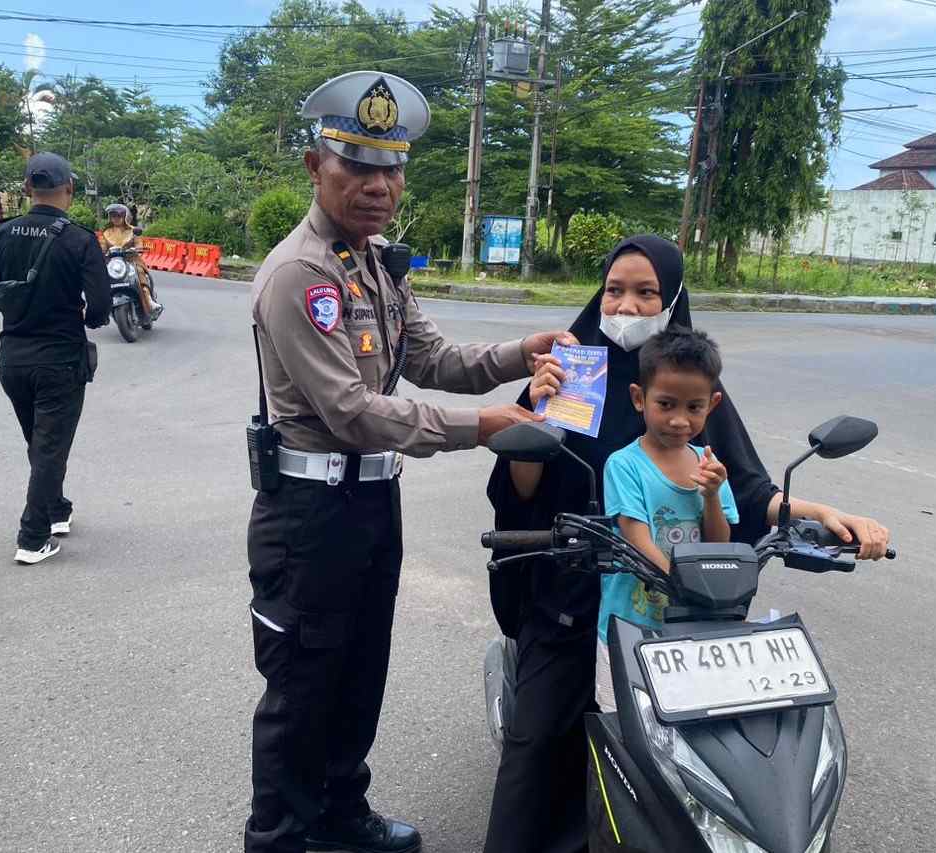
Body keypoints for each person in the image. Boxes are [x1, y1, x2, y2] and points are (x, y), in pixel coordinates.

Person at [245, 70, 574, 853]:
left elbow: (429, 355)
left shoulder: (375, 261)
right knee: (301, 685)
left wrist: (516, 352)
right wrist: (483, 427)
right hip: (309, 515)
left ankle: (339, 813)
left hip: (368, 506)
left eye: (391, 167)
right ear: (313, 166)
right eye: (356, 164)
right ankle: (282, 837)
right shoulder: (302, 275)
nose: (378, 184)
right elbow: (352, 412)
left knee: (360, 669)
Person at [482, 235, 890, 853]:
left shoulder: (690, 389)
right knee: (537, 740)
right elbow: (521, 492)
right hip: (573, 574)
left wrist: (828, 512)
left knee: (736, 730)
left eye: (646, 293)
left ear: (671, 300)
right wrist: (536, 418)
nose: (626, 306)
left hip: (676, 590)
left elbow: (748, 494)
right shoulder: (569, 376)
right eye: (614, 290)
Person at [0, 152, 112, 565]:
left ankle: (56, 510)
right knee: (49, 446)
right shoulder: (80, 239)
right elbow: (100, 307)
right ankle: (32, 537)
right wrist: (85, 314)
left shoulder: (1, 234)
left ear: (27, 189)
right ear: (70, 189)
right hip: (60, 362)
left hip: (14, 362)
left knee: (42, 441)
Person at [595, 326, 738, 712]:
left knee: (686, 716)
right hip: (630, 625)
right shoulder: (625, 465)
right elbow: (635, 538)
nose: (679, 420)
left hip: (690, 625)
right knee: (625, 719)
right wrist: (686, 586)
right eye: (666, 404)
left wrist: (710, 495)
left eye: (694, 407)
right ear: (639, 399)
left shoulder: (708, 466)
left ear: (713, 404)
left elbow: (718, 544)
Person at [98, 202, 161, 319]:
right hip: (114, 263)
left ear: (125, 217)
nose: (116, 218)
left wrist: (137, 248)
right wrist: (99, 253)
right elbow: (102, 248)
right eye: (113, 215)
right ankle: (100, 307)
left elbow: (139, 243)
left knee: (139, 272)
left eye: (118, 215)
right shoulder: (106, 232)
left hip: (132, 260)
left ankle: (149, 301)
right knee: (101, 277)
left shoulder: (133, 230)